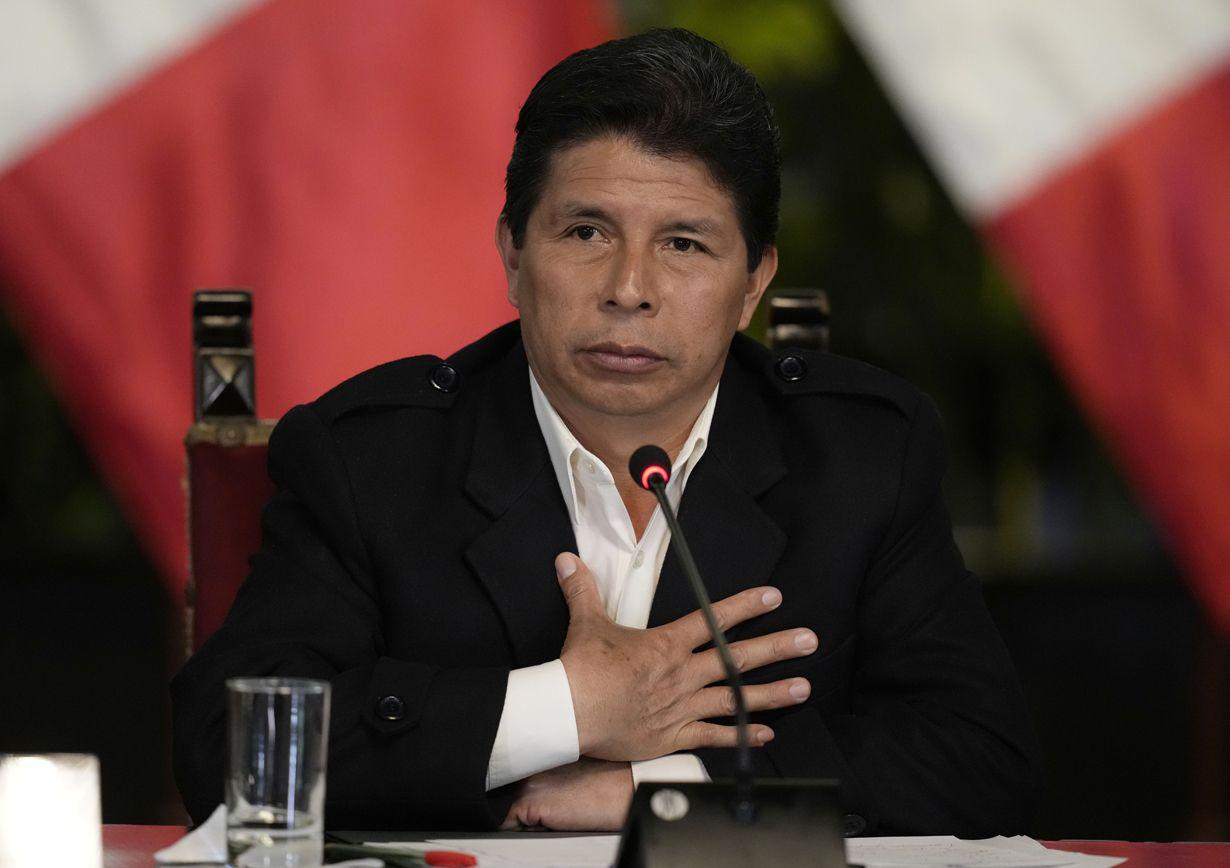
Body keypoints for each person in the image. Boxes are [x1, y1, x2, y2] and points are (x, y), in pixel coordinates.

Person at [172, 28, 1042, 835]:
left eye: (685, 244)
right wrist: (568, 706)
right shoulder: (373, 459)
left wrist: (659, 791)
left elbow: (982, 759)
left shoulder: (860, 457)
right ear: (514, 254)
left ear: (753, 283)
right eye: (586, 231)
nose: (629, 288)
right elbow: (233, 749)